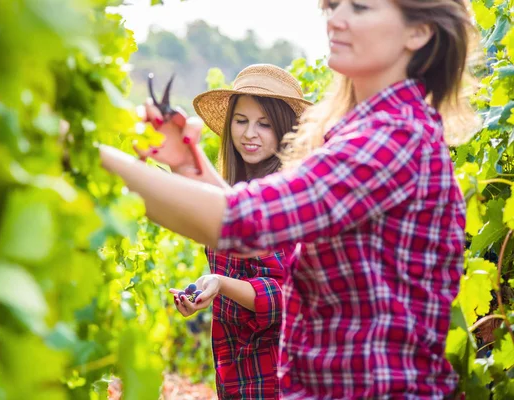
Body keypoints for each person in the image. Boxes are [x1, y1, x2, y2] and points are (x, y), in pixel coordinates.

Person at [99, 0, 479, 397]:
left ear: (418, 32)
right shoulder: (364, 132)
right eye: (333, 5)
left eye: (361, 7)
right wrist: (185, 164)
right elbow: (262, 223)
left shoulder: (390, 138)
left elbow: (243, 222)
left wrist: (95, 158)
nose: (336, 18)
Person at [137, 64, 312, 399]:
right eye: (241, 120)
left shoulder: (287, 195)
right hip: (234, 373)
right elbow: (194, 206)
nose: (249, 133)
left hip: (280, 379)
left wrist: (220, 285)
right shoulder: (233, 190)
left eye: (264, 124)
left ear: (285, 130)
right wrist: (205, 293)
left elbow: (288, 298)